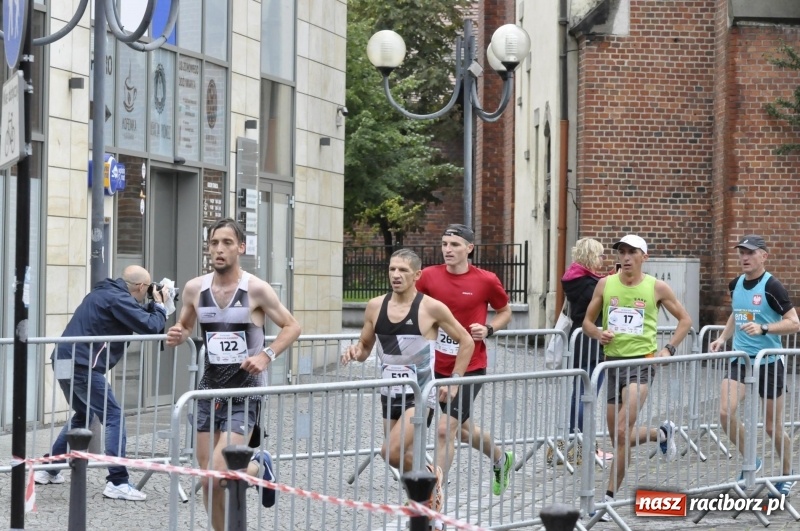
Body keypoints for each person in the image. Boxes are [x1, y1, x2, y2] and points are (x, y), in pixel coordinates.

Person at [166, 218, 301, 531]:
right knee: (208, 479)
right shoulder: (195, 289)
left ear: (241, 247)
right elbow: (185, 325)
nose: (219, 249)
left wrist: (266, 355)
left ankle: (257, 467)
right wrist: (178, 333)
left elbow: (292, 326)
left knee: (219, 472)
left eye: (227, 243)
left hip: (245, 392)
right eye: (214, 243)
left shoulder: (255, 289)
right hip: (209, 391)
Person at [341, 249, 474, 522]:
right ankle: (426, 506)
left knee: (390, 451)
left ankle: (431, 482)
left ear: (417, 275)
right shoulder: (375, 306)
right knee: (401, 457)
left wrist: (455, 380)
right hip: (389, 392)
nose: (396, 275)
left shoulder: (431, 308)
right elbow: (365, 347)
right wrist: (355, 351)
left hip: (420, 394)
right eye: (392, 269)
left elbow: (466, 340)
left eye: (403, 270)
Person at [34, 266, 169, 501]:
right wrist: (159, 305)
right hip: (82, 366)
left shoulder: (105, 292)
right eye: (147, 288)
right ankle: (117, 481)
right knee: (113, 415)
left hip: (63, 360)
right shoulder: (117, 298)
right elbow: (149, 326)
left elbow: (135, 315)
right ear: (140, 287)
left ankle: (49, 468)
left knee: (84, 413)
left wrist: (153, 307)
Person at [582, 234, 692, 519]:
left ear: (644, 256)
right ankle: (661, 433)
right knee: (619, 437)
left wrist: (668, 349)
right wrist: (598, 333)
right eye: (622, 252)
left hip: (641, 364)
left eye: (632, 252)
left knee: (621, 432)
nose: (626, 257)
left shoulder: (656, 287)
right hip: (611, 365)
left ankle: (607, 500)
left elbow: (685, 320)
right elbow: (586, 323)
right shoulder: (606, 284)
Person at [416, 224, 515, 499]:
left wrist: (489, 328)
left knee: (445, 429)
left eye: (455, 245)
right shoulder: (428, 276)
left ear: (469, 248)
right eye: (444, 244)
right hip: (435, 365)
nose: (448, 249)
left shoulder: (486, 280)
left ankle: (435, 493)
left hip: (470, 365)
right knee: (462, 430)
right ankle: (501, 458)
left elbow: (505, 311)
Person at [710, 235, 799, 497]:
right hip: (741, 360)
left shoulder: (773, 286)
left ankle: (787, 474)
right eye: (741, 252)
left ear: (763, 256)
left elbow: (794, 323)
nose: (744, 257)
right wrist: (722, 338)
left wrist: (764, 328)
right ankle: (752, 458)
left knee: (772, 427)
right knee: (725, 413)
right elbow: (736, 313)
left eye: (750, 252)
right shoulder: (735, 283)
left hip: (769, 362)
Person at [555, 237, 613, 465]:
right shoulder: (590, 285)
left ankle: (576, 443)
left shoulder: (574, 279)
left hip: (579, 339)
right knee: (587, 396)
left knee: (578, 394)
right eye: (599, 255)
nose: (602, 259)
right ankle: (585, 445)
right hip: (591, 339)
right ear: (591, 256)